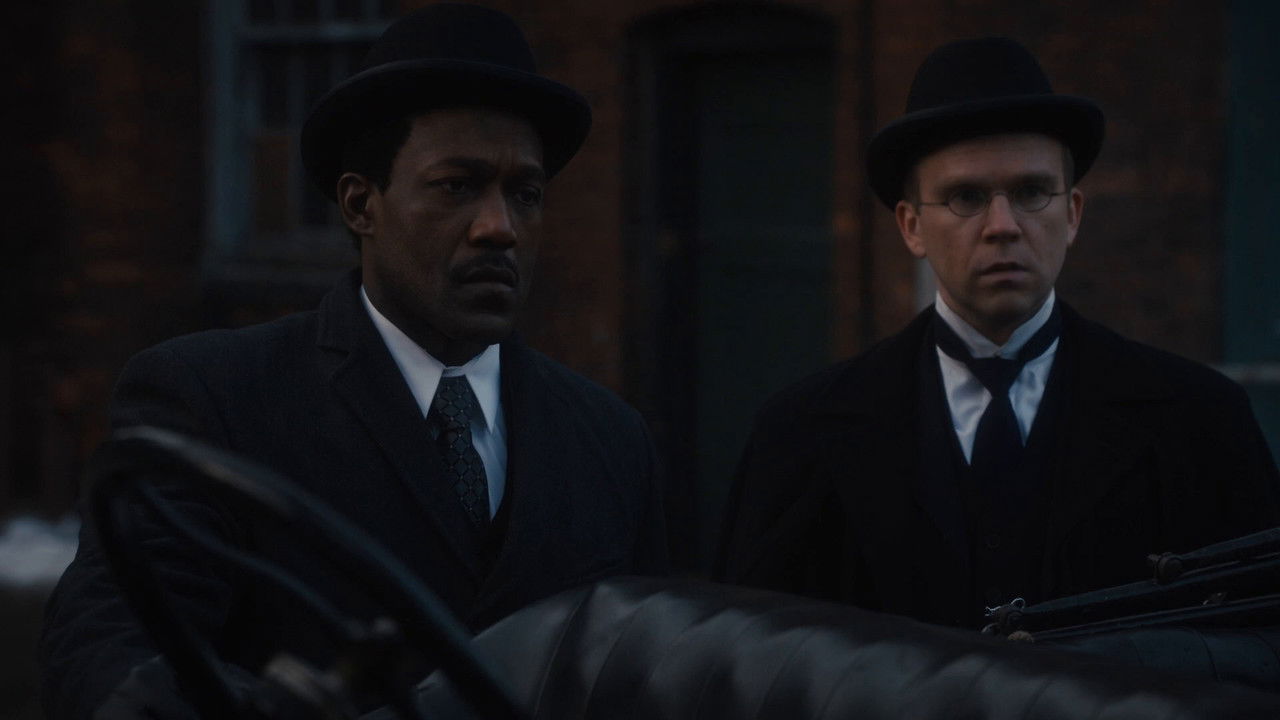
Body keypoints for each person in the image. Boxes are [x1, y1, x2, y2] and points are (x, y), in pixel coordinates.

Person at [40, 5, 667, 718]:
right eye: (457, 185)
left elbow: (645, 676)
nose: (500, 227)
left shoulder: (611, 442)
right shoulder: (214, 398)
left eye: (525, 194)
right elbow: (114, 655)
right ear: (361, 204)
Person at [717, 37, 1280, 629]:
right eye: (966, 197)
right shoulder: (802, 436)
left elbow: (1256, 645)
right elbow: (750, 658)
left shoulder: (1197, 421)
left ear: (1073, 214)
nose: (1003, 226)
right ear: (911, 226)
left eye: (1032, 192)